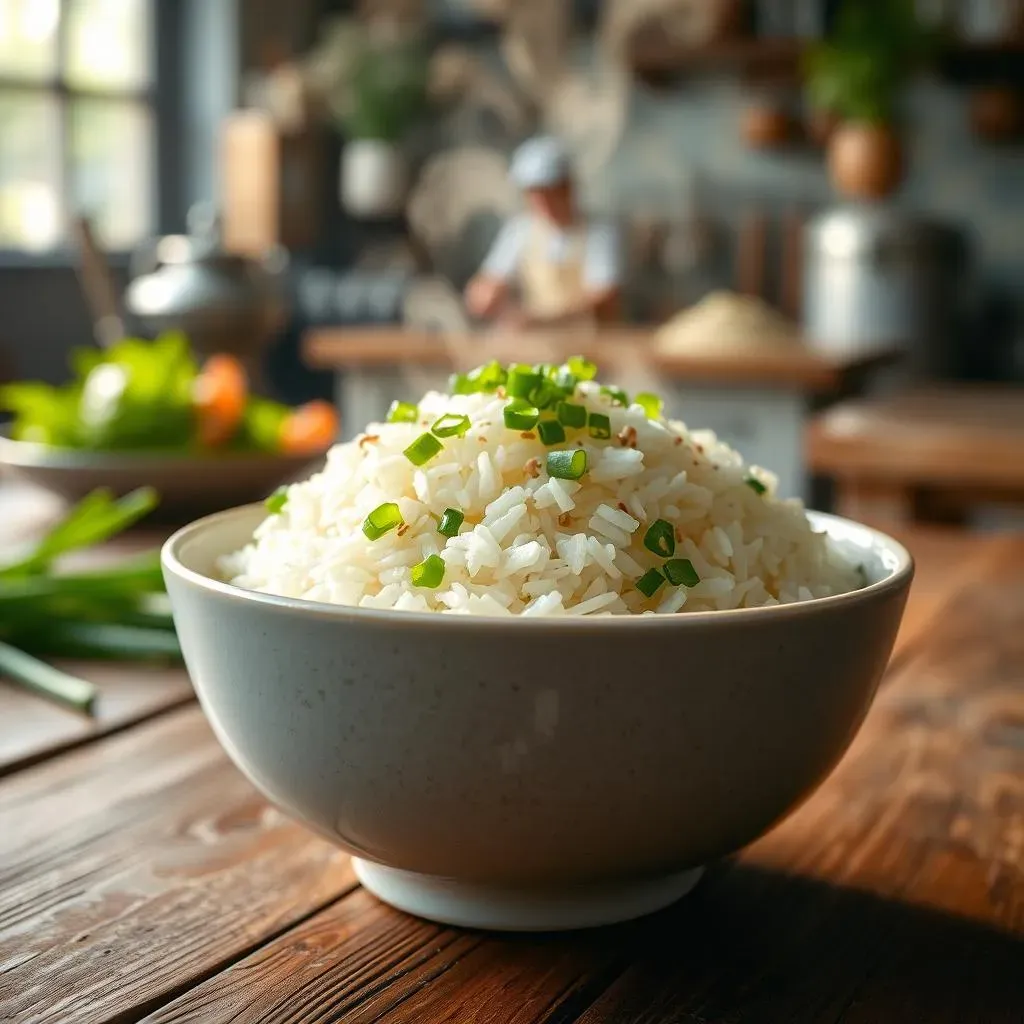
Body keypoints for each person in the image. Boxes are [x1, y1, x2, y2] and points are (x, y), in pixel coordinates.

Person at [464, 135, 622, 329]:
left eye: (548, 192)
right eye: (534, 193)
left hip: (588, 344)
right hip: (538, 344)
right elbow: (492, 278)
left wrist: (543, 319)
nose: (542, 202)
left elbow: (603, 298)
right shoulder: (520, 230)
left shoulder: (599, 232)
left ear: (567, 188)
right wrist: (484, 294)